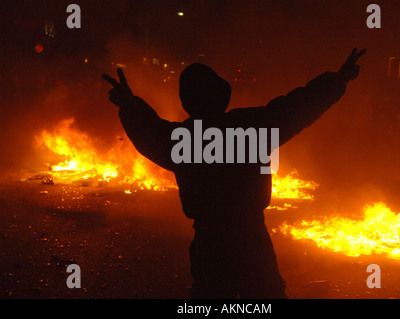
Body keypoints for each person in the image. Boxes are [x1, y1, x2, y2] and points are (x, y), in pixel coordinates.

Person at [102, 48, 365, 299]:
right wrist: (336, 81)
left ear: (188, 102)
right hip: (251, 238)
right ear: (221, 96)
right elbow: (296, 107)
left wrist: (129, 104)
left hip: (210, 241)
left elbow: (150, 131)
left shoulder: (184, 140)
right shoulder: (251, 128)